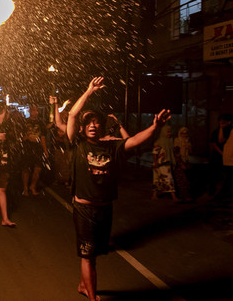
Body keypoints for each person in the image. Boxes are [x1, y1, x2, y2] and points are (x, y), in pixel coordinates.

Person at [66, 77, 170, 301]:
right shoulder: (77, 143)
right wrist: (89, 91)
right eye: (89, 122)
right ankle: (92, 297)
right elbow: (72, 115)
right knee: (88, 256)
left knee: (94, 255)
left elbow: (134, 141)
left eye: (96, 122)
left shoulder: (111, 145)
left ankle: (85, 286)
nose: (93, 125)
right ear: (83, 129)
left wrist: (155, 126)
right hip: (84, 209)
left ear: (101, 127)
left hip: (105, 209)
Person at [22, 104, 49, 196]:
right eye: (33, 110)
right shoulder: (24, 122)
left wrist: (45, 150)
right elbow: (20, 136)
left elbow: (43, 138)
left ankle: (32, 186)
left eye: (37, 110)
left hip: (37, 149)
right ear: (29, 111)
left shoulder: (41, 123)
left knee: (38, 168)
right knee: (26, 169)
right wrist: (25, 138)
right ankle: (25, 188)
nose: (35, 112)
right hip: (27, 148)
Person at [151, 126, 178, 201]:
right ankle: (174, 197)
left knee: (161, 179)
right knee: (166, 179)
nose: (169, 133)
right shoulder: (159, 142)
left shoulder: (169, 141)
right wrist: (155, 162)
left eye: (170, 131)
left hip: (166, 163)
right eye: (167, 131)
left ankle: (154, 195)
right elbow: (155, 152)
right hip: (160, 164)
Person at [208, 114, 232, 196]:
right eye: (220, 121)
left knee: (226, 176)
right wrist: (222, 153)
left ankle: (223, 193)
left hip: (229, 156)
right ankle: (212, 192)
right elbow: (215, 143)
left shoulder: (231, 131)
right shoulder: (216, 131)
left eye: (224, 121)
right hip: (217, 156)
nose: (222, 122)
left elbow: (222, 140)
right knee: (214, 175)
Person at [173, 126, 192, 202]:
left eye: (186, 133)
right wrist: (180, 163)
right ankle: (182, 196)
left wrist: (188, 147)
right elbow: (176, 153)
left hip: (186, 161)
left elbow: (190, 152)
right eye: (182, 133)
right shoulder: (177, 141)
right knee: (181, 180)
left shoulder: (188, 141)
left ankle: (186, 196)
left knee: (186, 180)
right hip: (179, 163)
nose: (184, 135)